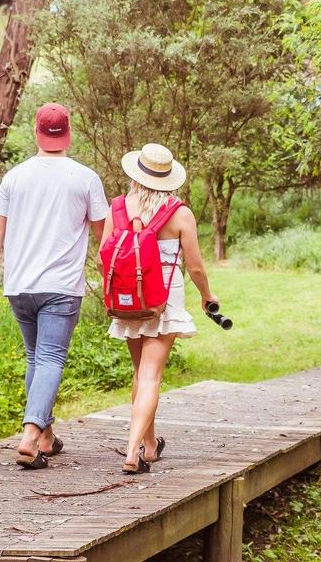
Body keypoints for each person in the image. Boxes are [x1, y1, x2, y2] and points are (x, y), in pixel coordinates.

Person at [0, 103, 110, 470]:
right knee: (50, 358)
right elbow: (104, 236)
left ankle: (46, 437)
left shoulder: (14, 178)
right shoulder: (85, 178)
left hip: (19, 286)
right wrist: (113, 278)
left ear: (36, 131)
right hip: (61, 287)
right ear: (68, 133)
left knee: (36, 357)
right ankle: (31, 436)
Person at [104, 143, 217, 474]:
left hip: (127, 301)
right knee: (151, 377)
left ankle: (149, 444)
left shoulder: (119, 208)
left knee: (140, 373)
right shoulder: (179, 213)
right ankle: (132, 450)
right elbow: (195, 267)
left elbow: (104, 256)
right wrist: (207, 296)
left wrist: (119, 292)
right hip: (162, 300)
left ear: (136, 175)